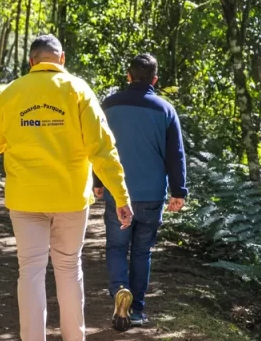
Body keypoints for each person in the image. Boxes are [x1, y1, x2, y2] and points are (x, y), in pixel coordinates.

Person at [0, 34, 134, 341]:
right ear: (61, 60)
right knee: (68, 269)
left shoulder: (12, 92)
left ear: (31, 62)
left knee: (31, 272)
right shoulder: (78, 90)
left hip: (25, 198)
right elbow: (102, 149)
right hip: (70, 199)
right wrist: (121, 195)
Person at [93, 53, 188, 329]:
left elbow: (98, 147)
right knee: (142, 251)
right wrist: (178, 191)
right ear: (155, 80)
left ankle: (119, 291)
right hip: (151, 195)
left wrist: (97, 182)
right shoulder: (166, 110)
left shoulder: (108, 105)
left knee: (116, 246)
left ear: (128, 76)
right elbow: (176, 154)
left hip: (117, 191)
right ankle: (136, 310)